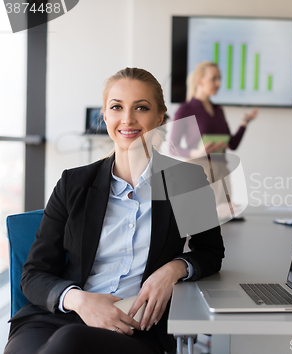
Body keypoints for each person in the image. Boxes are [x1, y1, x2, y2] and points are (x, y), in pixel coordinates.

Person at [4, 68, 225, 354]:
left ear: (159, 118)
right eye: (117, 107)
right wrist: (80, 301)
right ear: (105, 116)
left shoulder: (185, 181)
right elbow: (34, 274)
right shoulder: (74, 182)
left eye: (141, 108)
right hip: (57, 318)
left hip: (135, 328)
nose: (128, 119)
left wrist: (174, 269)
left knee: (70, 342)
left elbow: (210, 252)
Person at [170, 61, 258, 206]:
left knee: (224, 223)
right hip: (198, 172)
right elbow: (173, 148)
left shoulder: (219, 110)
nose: (218, 83)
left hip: (222, 172)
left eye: (220, 79)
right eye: (214, 78)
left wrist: (244, 123)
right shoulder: (185, 109)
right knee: (199, 221)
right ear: (200, 81)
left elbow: (232, 144)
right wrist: (197, 153)